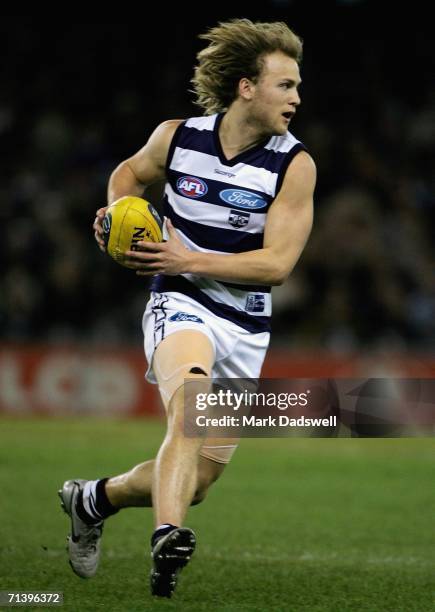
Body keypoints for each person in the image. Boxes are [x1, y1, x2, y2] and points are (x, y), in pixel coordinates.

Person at [58, 18, 315, 599]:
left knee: (197, 480)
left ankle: (91, 499)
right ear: (247, 87)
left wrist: (187, 257)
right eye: (285, 85)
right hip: (179, 303)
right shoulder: (176, 137)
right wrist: (117, 214)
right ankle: (168, 536)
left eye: (298, 87)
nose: (297, 99)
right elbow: (129, 174)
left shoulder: (294, 166)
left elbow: (276, 265)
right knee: (190, 408)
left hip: (245, 322)